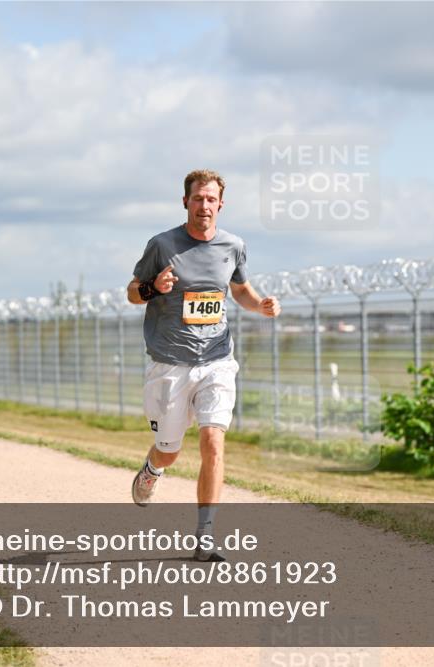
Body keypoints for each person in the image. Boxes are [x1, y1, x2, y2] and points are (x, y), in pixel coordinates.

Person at [127, 169, 280, 562]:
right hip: (169, 365)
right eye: (198, 199)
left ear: (221, 205)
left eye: (211, 199)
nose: (205, 206)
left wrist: (259, 304)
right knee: (170, 450)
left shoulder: (233, 245)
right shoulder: (162, 245)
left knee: (213, 440)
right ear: (186, 202)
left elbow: (240, 289)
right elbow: (132, 292)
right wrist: (153, 288)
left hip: (217, 359)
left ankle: (205, 536)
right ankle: (152, 468)